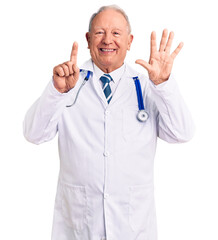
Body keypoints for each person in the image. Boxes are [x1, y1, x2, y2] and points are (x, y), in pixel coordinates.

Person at [23, 5, 195, 240]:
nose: (108, 40)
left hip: (134, 230)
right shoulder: (68, 84)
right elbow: (34, 134)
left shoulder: (145, 87)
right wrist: (56, 92)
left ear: (129, 41)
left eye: (116, 33)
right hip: (78, 229)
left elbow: (182, 133)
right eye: (99, 32)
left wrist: (163, 83)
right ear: (88, 39)